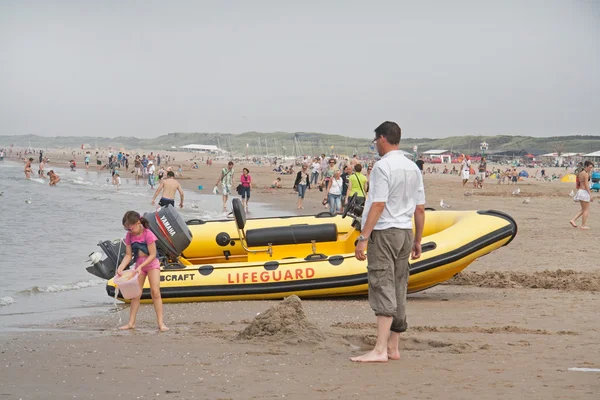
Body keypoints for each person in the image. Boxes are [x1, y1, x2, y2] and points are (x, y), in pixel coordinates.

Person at [351, 121, 425, 363]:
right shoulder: (413, 167)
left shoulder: (383, 167)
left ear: (382, 138)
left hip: (385, 232)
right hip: (405, 231)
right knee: (399, 287)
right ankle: (393, 347)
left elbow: (379, 204)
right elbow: (420, 209)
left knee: (382, 284)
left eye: (376, 141)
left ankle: (380, 349)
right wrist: (418, 240)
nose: (376, 146)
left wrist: (363, 237)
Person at [116, 211, 169, 331]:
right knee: (136, 294)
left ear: (138, 222)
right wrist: (121, 267)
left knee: (155, 292)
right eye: (126, 229)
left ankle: (161, 323)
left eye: (130, 228)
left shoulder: (148, 234)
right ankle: (131, 323)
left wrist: (140, 267)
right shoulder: (129, 236)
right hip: (139, 265)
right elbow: (128, 255)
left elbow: (153, 255)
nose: (129, 231)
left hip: (151, 264)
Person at [570, 161, 594, 230]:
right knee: (586, 210)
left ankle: (573, 220)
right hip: (584, 192)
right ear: (586, 166)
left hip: (580, 191)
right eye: (590, 167)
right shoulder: (585, 174)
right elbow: (586, 185)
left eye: (591, 167)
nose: (590, 169)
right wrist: (590, 195)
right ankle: (583, 225)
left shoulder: (581, 173)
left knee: (583, 209)